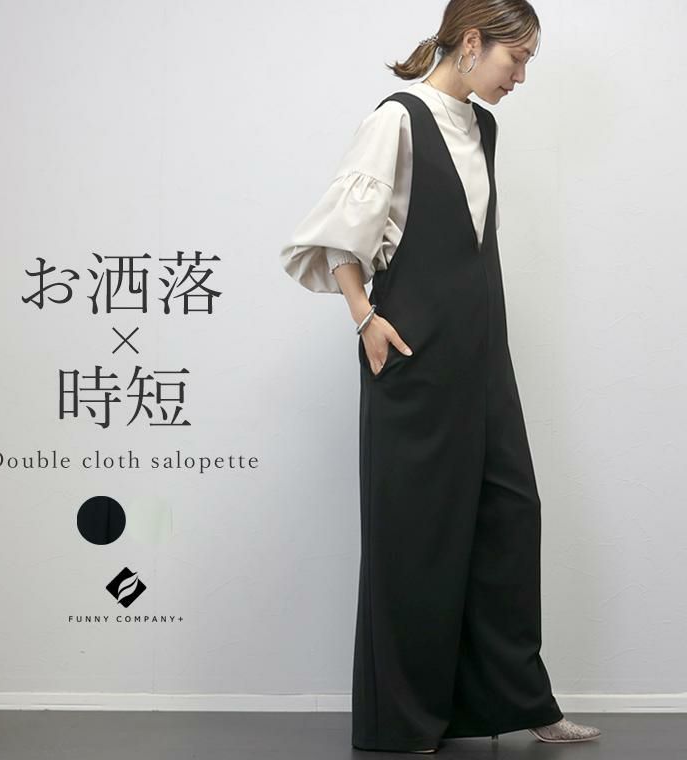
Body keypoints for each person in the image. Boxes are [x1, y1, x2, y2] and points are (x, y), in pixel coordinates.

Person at [280, 0, 602, 753]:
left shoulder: (483, 128)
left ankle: (518, 700)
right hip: (413, 357)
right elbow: (339, 238)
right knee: (417, 536)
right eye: (516, 59)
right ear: (471, 42)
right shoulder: (397, 119)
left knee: (508, 517)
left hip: (483, 357)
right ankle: (408, 721)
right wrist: (365, 318)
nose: (521, 77)